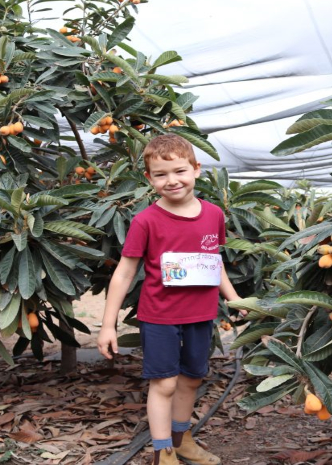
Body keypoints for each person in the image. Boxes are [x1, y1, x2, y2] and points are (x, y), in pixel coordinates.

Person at [97, 134, 243, 465]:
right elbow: (123, 272)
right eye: (161, 174)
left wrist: (233, 299)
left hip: (200, 313)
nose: (172, 181)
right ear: (148, 178)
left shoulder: (214, 215)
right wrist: (108, 325)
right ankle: (163, 452)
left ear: (196, 169)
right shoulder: (146, 220)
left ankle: (182, 439)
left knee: (192, 378)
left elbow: (212, 261)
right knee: (164, 384)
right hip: (160, 314)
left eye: (179, 171)